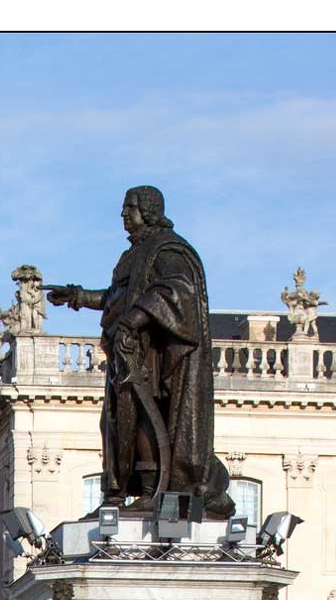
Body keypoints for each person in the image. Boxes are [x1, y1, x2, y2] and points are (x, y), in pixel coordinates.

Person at [47, 185, 232, 516]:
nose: (122, 215)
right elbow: (117, 297)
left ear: (147, 211)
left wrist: (134, 320)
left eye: (128, 208)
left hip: (153, 353)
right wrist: (76, 296)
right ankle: (118, 493)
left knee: (145, 418)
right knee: (115, 423)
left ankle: (151, 490)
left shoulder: (167, 250)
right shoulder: (134, 255)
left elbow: (177, 292)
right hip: (125, 350)